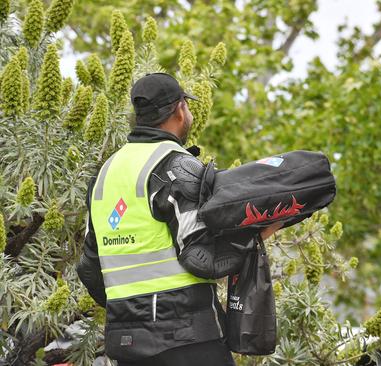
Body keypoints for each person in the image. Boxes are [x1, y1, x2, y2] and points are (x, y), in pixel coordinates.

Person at [76, 73, 281, 366]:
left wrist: (130, 314)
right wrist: (257, 233)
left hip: (127, 344)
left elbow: (89, 268)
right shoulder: (176, 165)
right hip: (186, 339)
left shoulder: (106, 173)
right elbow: (201, 258)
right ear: (179, 109)